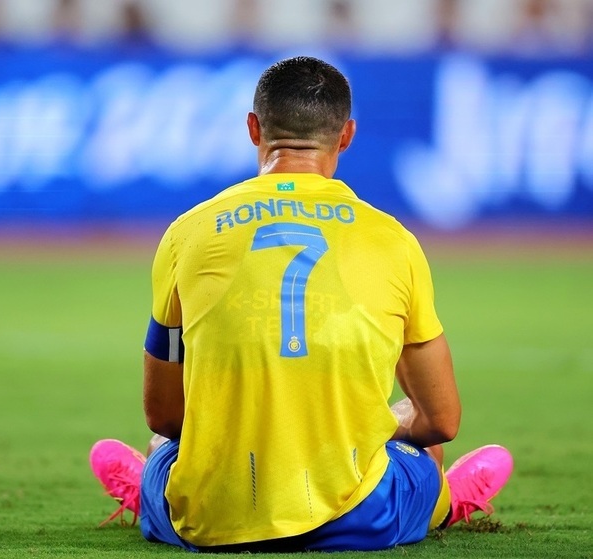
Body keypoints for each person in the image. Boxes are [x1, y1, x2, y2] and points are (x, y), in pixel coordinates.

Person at [89, 56, 513, 552]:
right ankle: (445, 501)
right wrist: (389, 424)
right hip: (360, 517)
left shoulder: (187, 232)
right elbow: (442, 420)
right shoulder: (393, 240)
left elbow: (163, 415)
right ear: (346, 135)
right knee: (426, 443)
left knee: (163, 445)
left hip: (211, 516)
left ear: (253, 128)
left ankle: (150, 493)